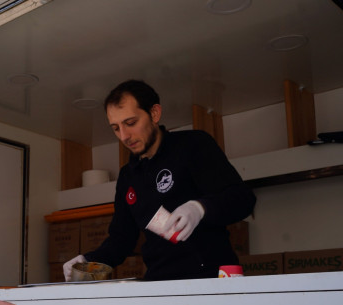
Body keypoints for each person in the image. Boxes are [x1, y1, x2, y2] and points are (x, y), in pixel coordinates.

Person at [64, 80, 256, 281]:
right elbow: (121, 241)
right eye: (115, 128)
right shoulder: (128, 177)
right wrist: (87, 262)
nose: (124, 136)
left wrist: (199, 208)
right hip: (160, 283)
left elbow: (243, 199)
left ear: (154, 114)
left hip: (211, 278)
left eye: (130, 123)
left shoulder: (193, 145)